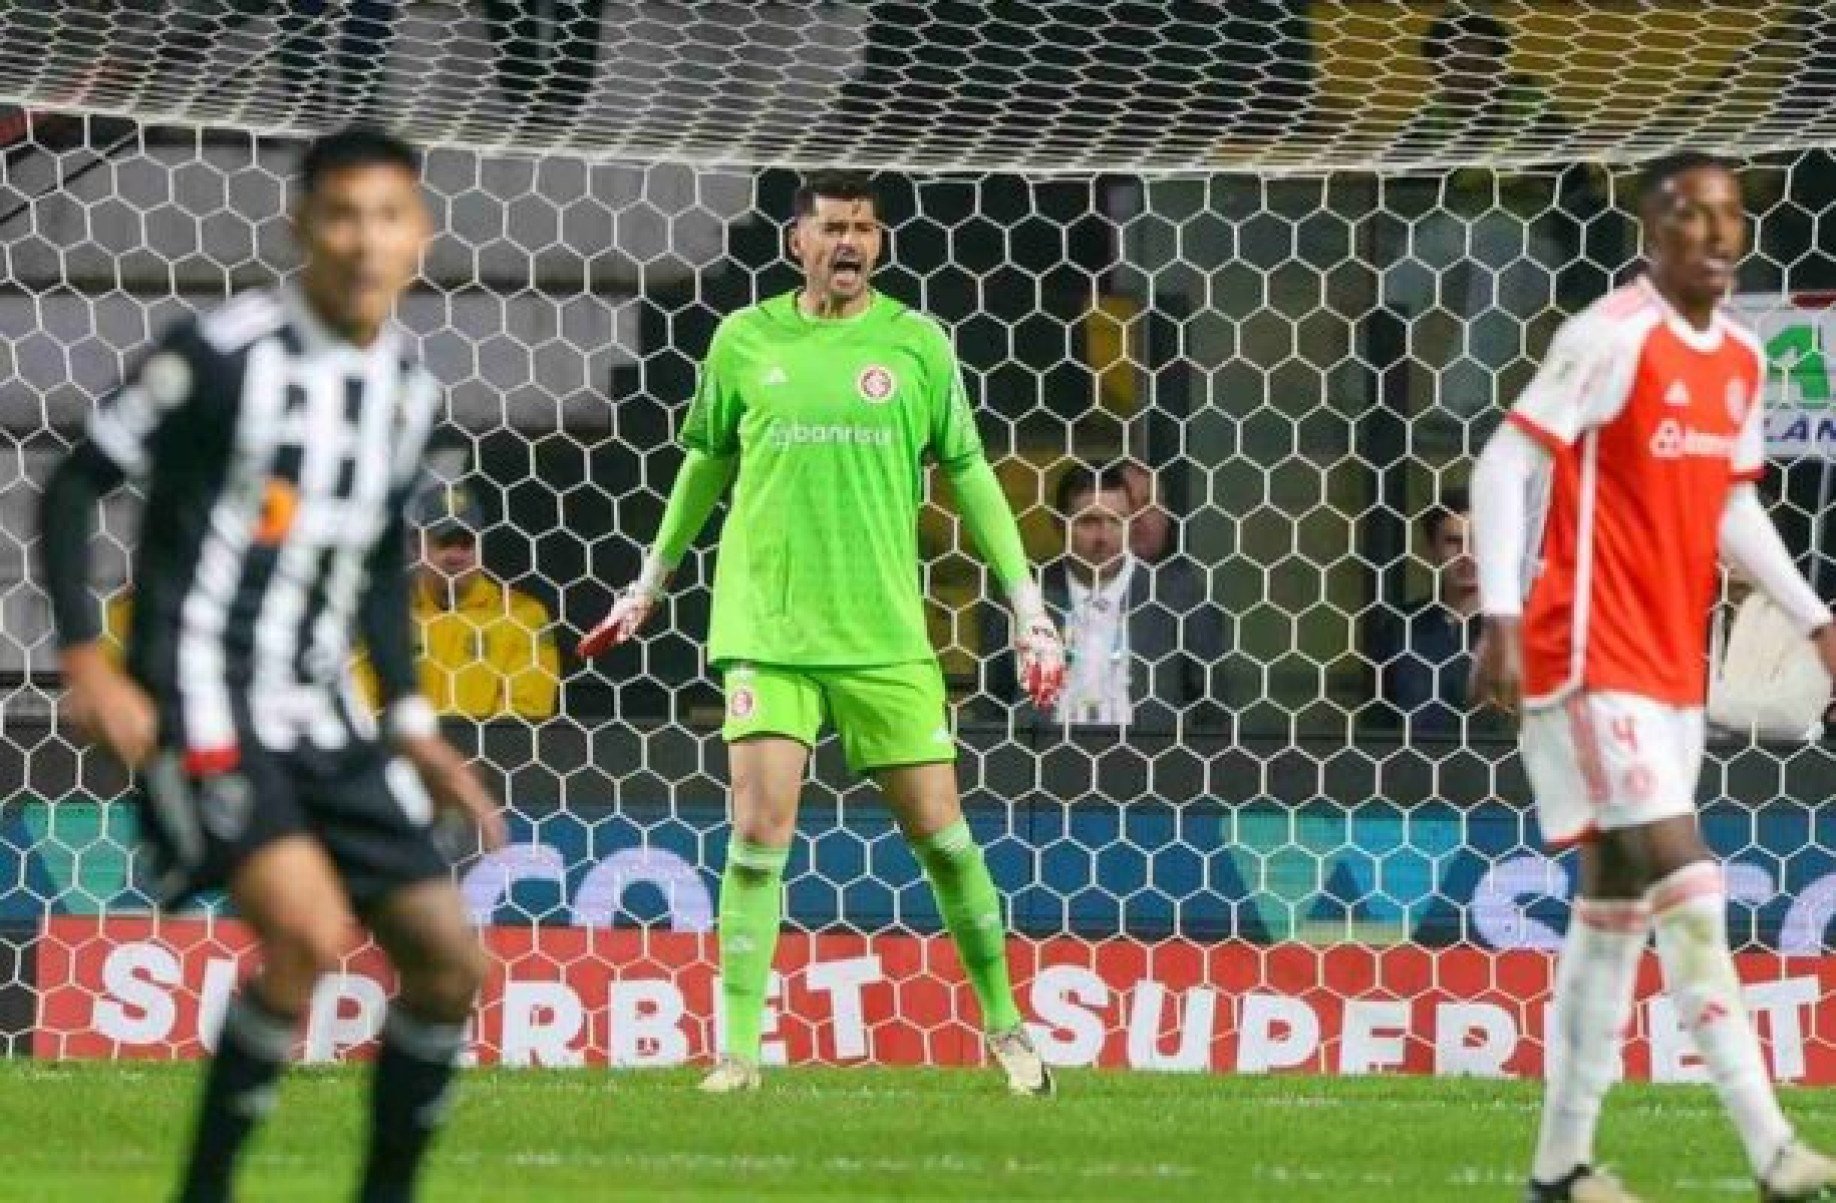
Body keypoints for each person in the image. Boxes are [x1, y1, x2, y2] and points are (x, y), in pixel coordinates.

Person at [37, 127, 504, 1203]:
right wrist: (85, 658)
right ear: (302, 227)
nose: (363, 240)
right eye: (341, 215)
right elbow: (73, 486)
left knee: (448, 964)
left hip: (330, 715)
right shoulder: (220, 353)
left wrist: (415, 720)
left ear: (420, 237)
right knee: (304, 933)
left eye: (387, 217)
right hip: (202, 699)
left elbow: (380, 572)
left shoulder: (406, 395)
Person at [579, 169, 1066, 1096]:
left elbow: (969, 472)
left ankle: (1007, 1029)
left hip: (884, 632)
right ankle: (736, 1054)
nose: (850, 242)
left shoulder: (917, 345)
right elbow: (703, 465)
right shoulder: (743, 339)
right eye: (834, 227)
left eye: (866, 229)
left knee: (945, 839)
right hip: (768, 626)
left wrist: (1026, 603)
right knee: (758, 836)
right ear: (796, 241)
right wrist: (649, 582)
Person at [1469, 152, 1836, 1203]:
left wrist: (1814, 621)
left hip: (1673, 663)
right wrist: (1500, 614)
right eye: (1690, 216)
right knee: (1689, 878)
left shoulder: (1739, 361)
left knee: (1614, 910)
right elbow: (1506, 463)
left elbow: (1729, 506)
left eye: (1730, 215)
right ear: (1649, 230)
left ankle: (1558, 1169)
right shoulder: (1608, 337)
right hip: (1584, 656)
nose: (1716, 234)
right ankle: (1771, 1147)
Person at [981, 461, 1226, 729]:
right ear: (1059, 525)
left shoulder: (1177, 598)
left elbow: (1211, 708)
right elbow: (993, 702)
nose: (1104, 536)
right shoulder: (1026, 598)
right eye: (1089, 522)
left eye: (1115, 521)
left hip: (1149, 759)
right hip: (1044, 755)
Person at [356, 481, 559, 720]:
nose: (456, 556)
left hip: (490, 757)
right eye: (444, 543)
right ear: (416, 546)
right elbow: (360, 707)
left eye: (466, 543)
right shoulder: (386, 616)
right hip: (400, 753)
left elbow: (525, 720)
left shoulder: (522, 616)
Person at [1365, 485, 1478, 732]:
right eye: (1453, 542)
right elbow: (1376, 727)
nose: (1467, 555)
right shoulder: (1401, 631)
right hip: (1413, 767)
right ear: (1432, 549)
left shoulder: (1518, 633)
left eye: (1478, 541)